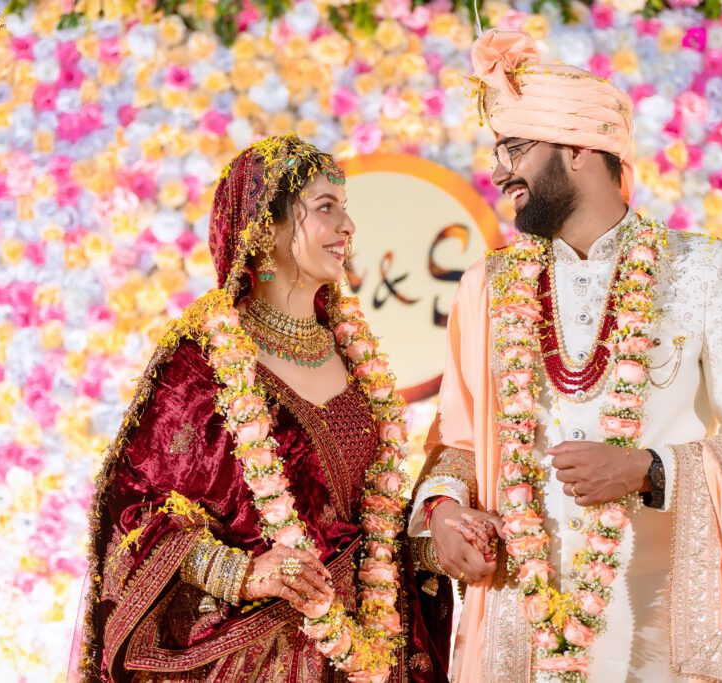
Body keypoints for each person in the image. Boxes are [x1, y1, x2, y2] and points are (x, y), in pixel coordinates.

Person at [407, 31, 722, 683]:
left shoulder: (697, 272)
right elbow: (456, 446)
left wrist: (647, 469)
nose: (500, 171)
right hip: (517, 623)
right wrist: (443, 513)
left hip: (655, 630)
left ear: (583, 150)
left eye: (516, 149)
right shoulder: (487, 284)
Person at [76, 134, 451, 682]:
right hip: (253, 657)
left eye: (345, 209)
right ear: (265, 227)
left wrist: (442, 536)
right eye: (326, 208)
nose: (348, 227)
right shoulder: (202, 361)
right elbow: (131, 506)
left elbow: (376, 514)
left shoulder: (353, 355)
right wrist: (238, 572)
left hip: (369, 651)